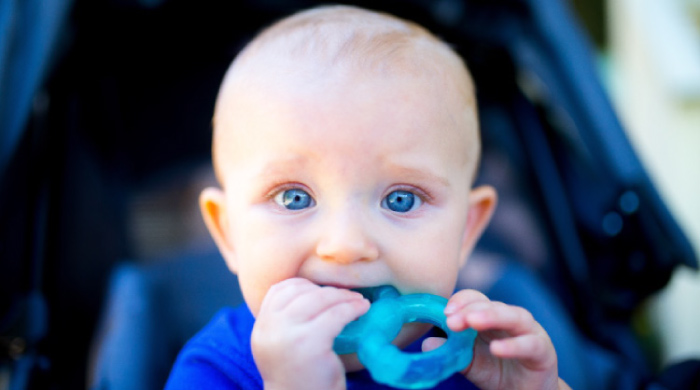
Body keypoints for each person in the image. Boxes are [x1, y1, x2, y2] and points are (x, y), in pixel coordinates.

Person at [165, 5, 571, 390]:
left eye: (401, 200)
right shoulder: (215, 368)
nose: (346, 245)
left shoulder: (482, 355)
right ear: (228, 232)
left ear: (466, 230)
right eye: (293, 197)